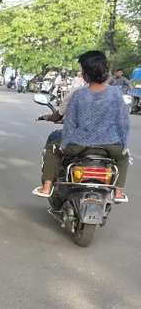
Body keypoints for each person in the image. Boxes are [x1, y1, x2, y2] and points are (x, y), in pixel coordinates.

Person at [33, 50, 130, 203]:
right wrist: (123, 145)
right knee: (124, 158)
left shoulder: (79, 95)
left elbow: (70, 123)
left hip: (79, 145)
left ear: (85, 74)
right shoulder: (116, 93)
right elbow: (123, 123)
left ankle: (46, 187)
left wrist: (64, 146)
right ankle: (118, 192)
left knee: (53, 148)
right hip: (111, 146)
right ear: (106, 71)